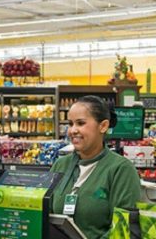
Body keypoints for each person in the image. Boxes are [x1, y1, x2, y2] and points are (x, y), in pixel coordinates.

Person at [50, 95, 141, 239]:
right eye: (70, 123)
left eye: (80, 123)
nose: (73, 130)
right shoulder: (60, 165)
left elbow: (123, 229)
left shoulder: (121, 170)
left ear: (103, 126)